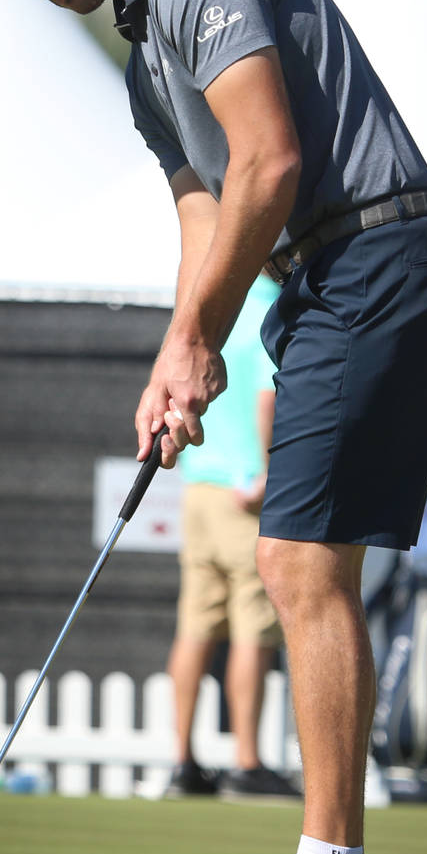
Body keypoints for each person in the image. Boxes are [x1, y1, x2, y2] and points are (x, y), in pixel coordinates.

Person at [0, 0, 427, 854]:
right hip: (336, 277)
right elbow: (205, 211)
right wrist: (174, 350)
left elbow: (271, 163)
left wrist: (205, 335)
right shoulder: (144, 52)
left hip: (380, 255)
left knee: (296, 561)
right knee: (302, 561)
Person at [165, 274, 300, 803]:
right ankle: (247, 762)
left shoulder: (211, 307)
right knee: (253, 628)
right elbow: (268, 399)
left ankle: (182, 761)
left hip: (199, 485)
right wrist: (269, 470)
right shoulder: (273, 306)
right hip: (245, 490)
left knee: (195, 625)